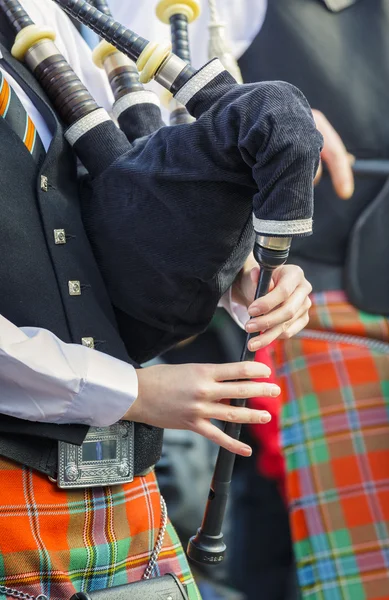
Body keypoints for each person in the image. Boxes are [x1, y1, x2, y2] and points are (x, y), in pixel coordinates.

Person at [0, 1, 314, 599]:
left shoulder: (56, 17)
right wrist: (134, 391)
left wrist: (236, 271)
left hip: (116, 478)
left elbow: (123, 203)